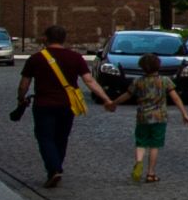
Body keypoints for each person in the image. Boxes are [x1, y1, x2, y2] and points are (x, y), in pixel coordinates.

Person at [11, 25, 115, 189]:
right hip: (67, 105)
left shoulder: (36, 59)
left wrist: (21, 99)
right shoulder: (75, 58)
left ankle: (54, 169)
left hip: (43, 104)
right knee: (61, 137)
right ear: (64, 39)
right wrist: (106, 99)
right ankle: (57, 165)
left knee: (45, 137)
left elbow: (24, 84)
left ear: (46, 38)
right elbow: (89, 81)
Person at [124, 50, 188, 184]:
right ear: (158, 66)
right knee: (154, 145)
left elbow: (127, 95)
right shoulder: (165, 81)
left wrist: (113, 103)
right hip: (159, 118)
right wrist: (184, 113)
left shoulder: (138, 81)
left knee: (141, 143)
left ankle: (139, 162)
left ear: (142, 67)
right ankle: (151, 173)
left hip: (142, 117)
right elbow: (176, 98)